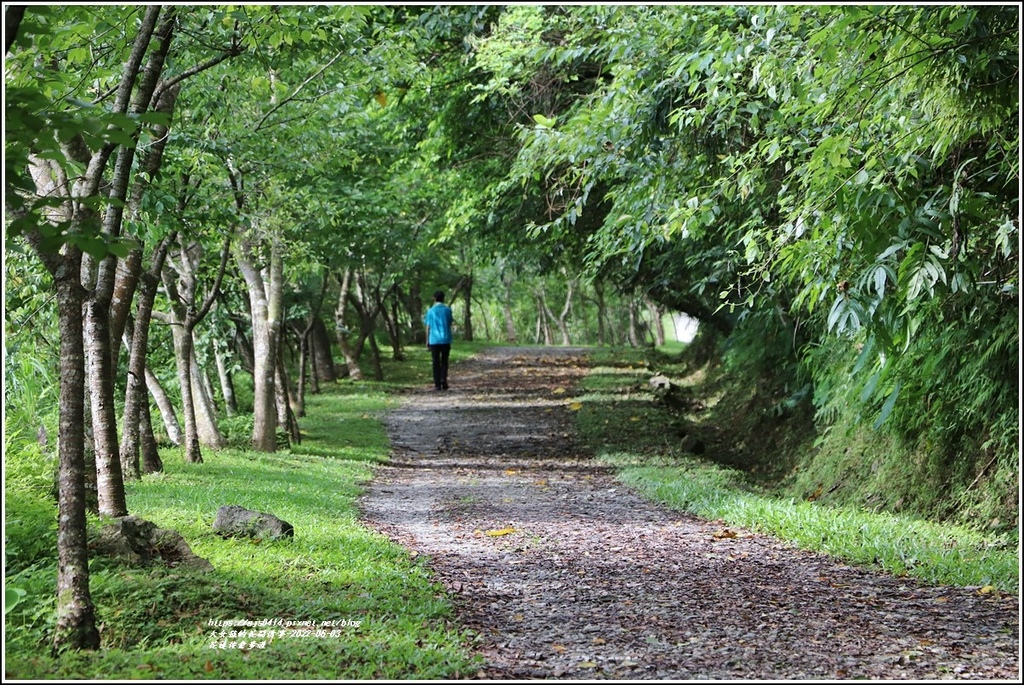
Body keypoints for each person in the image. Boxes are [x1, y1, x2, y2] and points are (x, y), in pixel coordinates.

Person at [423, 290, 454, 391]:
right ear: (443, 298)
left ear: (434, 298)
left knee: (435, 362)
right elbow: (450, 323)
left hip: (434, 340)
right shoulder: (447, 310)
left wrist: (427, 340)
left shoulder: (430, 311)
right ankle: (443, 380)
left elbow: (428, 327)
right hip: (445, 339)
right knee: (444, 361)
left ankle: (437, 384)